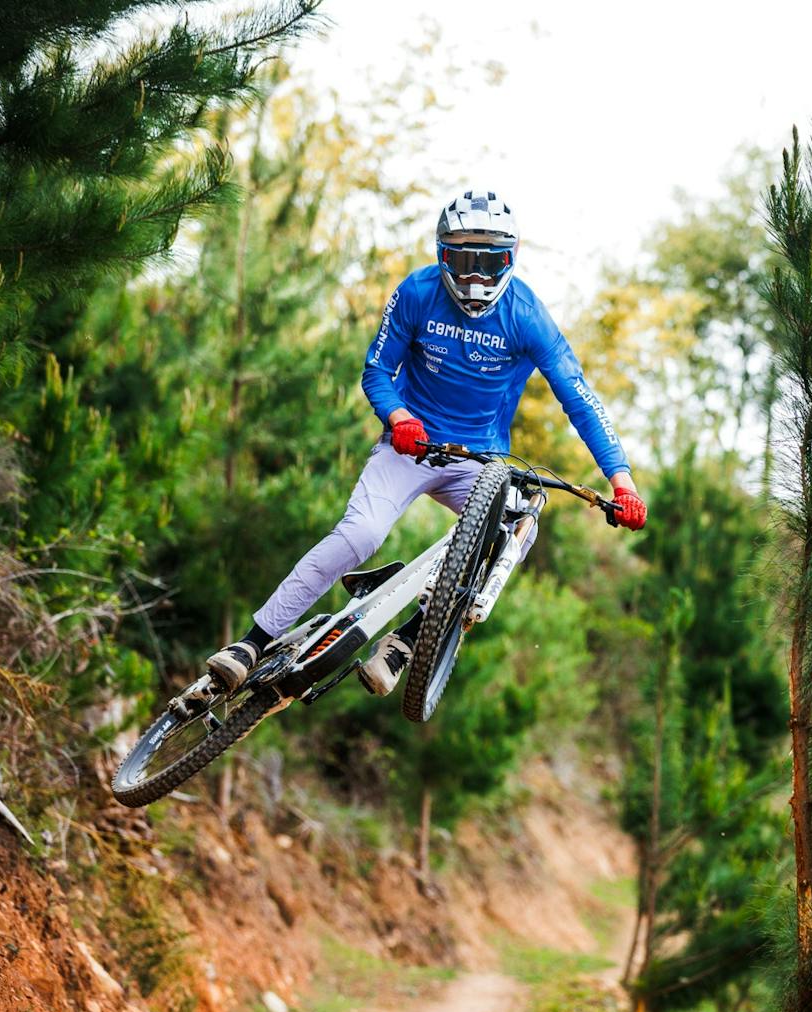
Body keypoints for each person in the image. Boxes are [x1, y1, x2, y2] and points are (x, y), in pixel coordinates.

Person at [205, 189, 646, 696]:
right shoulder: (417, 292)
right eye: (462, 259)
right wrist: (398, 417)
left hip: (478, 463)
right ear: (441, 254)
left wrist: (623, 483)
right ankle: (251, 642)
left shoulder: (528, 316)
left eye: (490, 262)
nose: (475, 277)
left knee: (517, 526)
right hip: (409, 447)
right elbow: (376, 371)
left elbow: (581, 400)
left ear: (511, 258)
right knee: (359, 536)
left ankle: (411, 638)